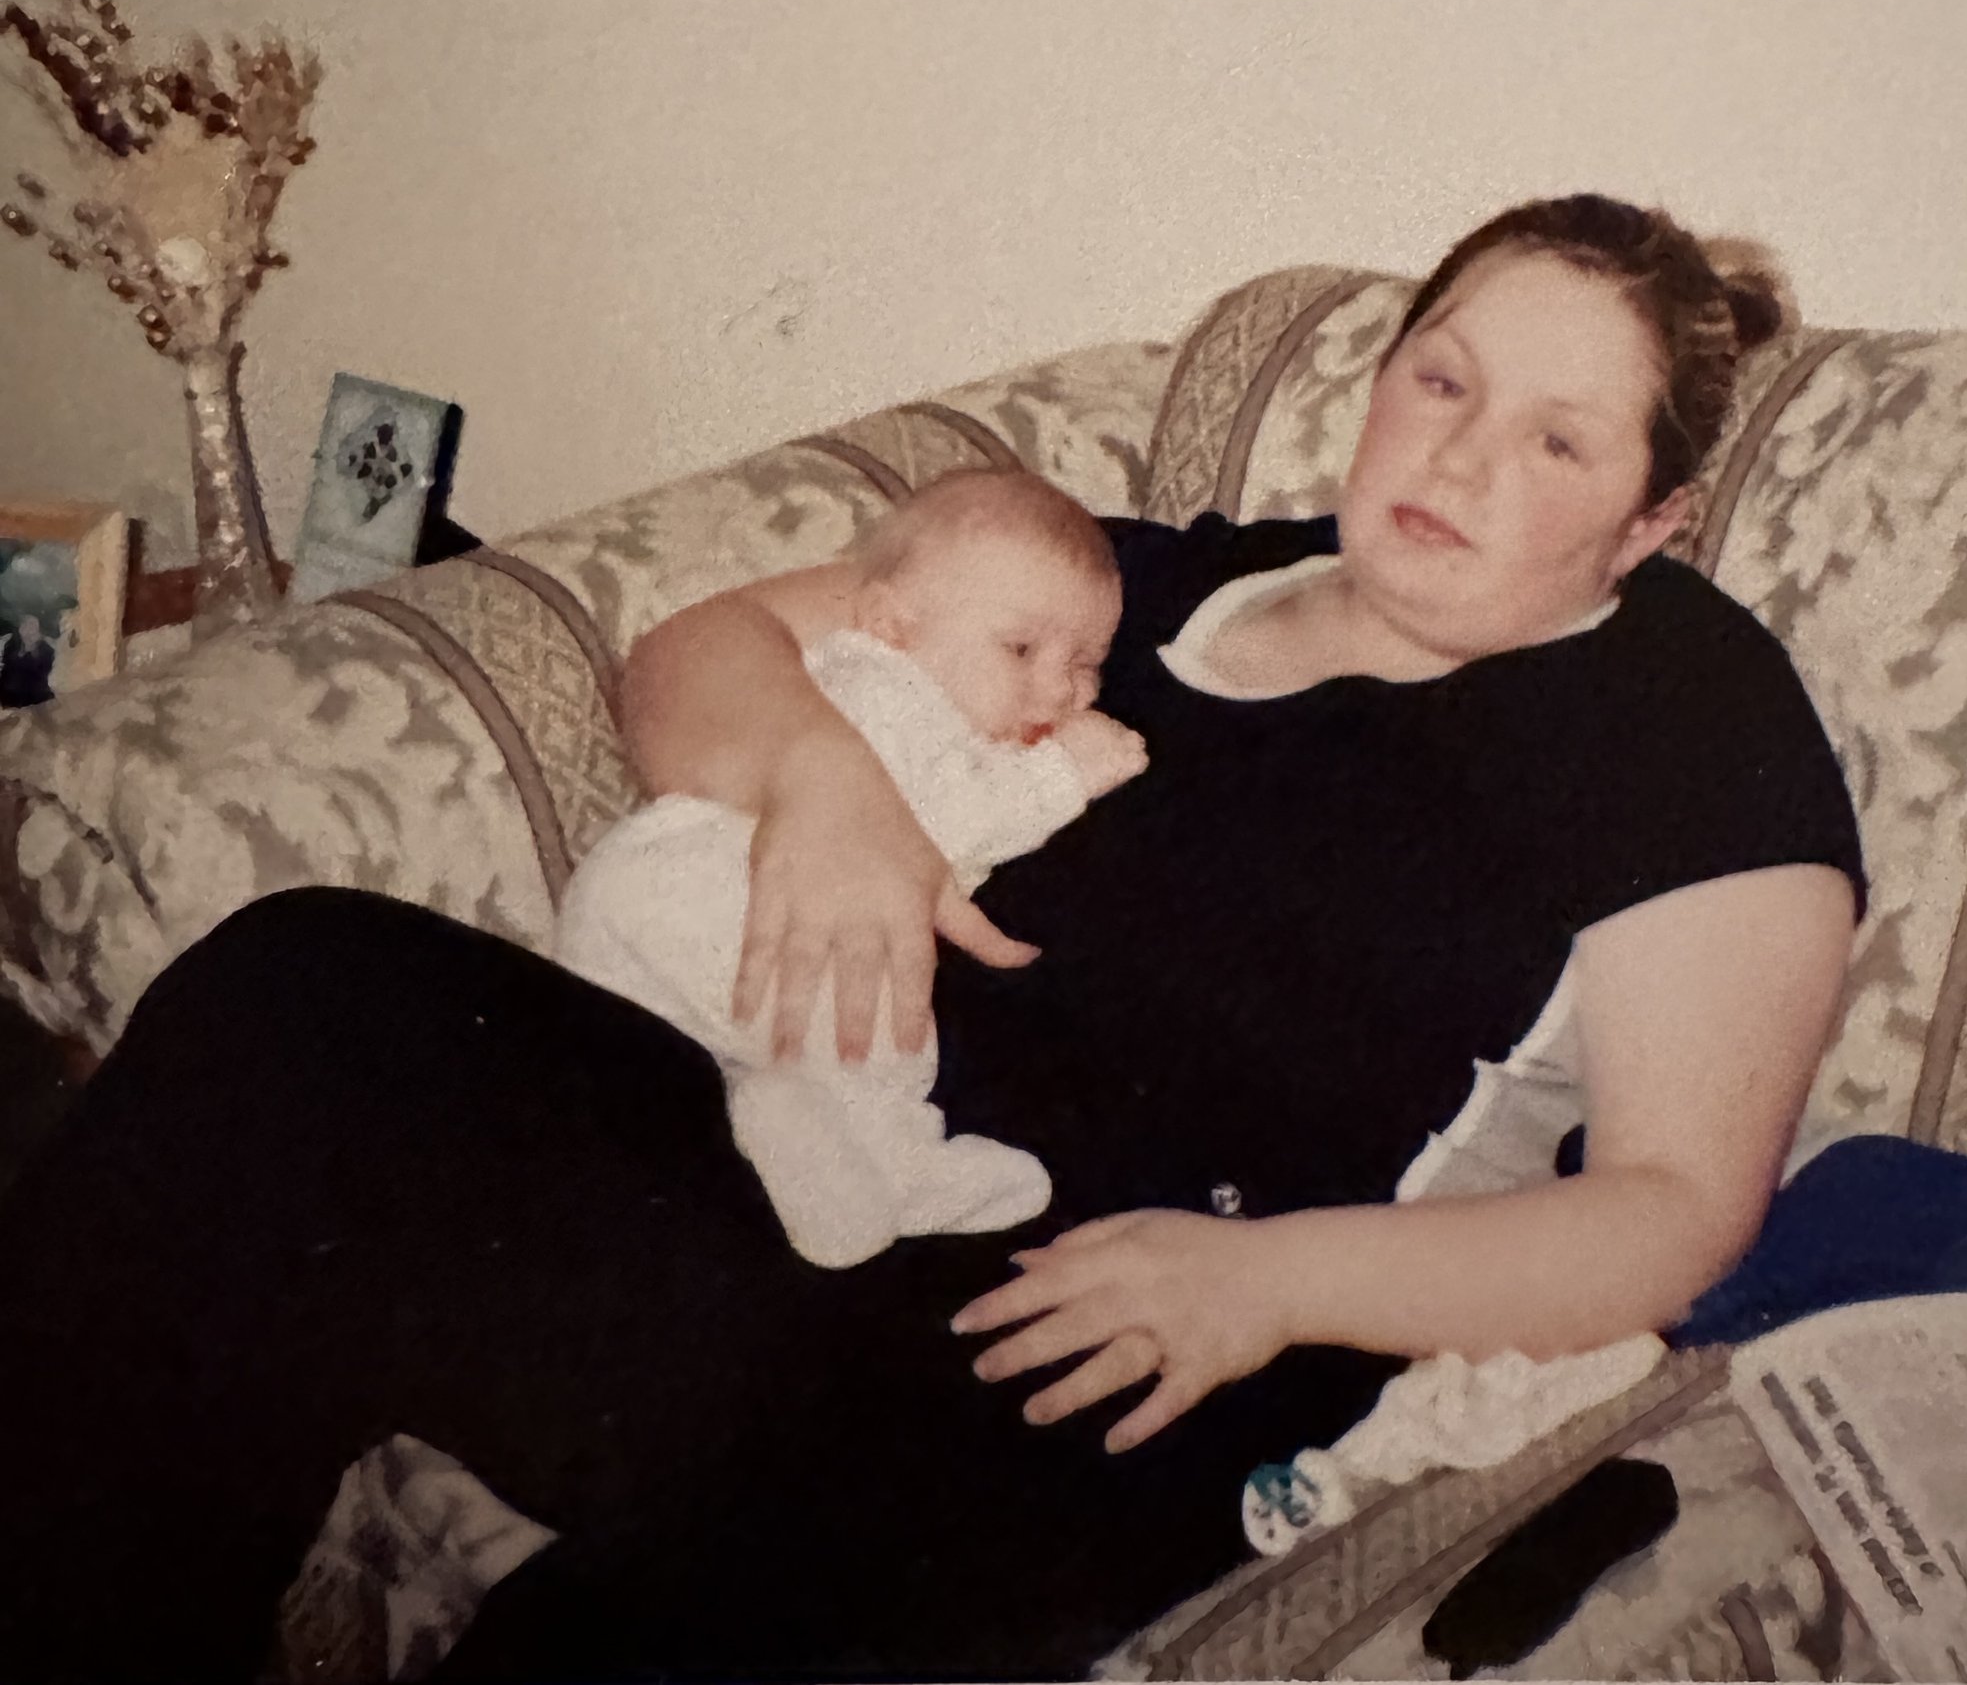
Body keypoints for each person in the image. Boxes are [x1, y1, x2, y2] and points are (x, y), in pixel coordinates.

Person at [0, 194, 1865, 1683]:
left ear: (1656, 515)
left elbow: (1677, 1202)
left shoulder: (1686, 715)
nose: (1460, 458)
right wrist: (826, 784)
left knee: (592, 1646)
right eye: (1442, 379)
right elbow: (698, 649)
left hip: (1091, 1350)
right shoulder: (1160, 581)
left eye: (1559, 435)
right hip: (792, 1175)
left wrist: (1272, 1284)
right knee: (310, 992)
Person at [556, 467, 1150, 1267]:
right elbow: (931, 829)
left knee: (751, 1068)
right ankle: (898, 1166)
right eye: (1021, 648)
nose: (1060, 687)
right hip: (724, 899)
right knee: (887, 1001)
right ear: (889, 624)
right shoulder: (884, 687)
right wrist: (1062, 774)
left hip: (638, 913)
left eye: (1087, 665)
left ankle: (781, 1117)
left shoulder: (893, 670)